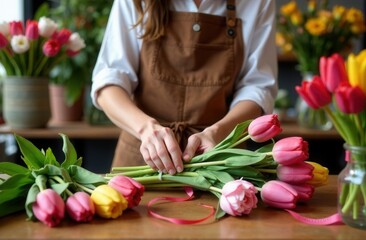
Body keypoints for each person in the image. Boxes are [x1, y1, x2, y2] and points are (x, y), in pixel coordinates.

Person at [91, 0, 278, 175]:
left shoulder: (258, 3)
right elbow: (109, 81)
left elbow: (257, 87)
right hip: (140, 161)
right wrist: (146, 129)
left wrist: (218, 132)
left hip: (218, 161)